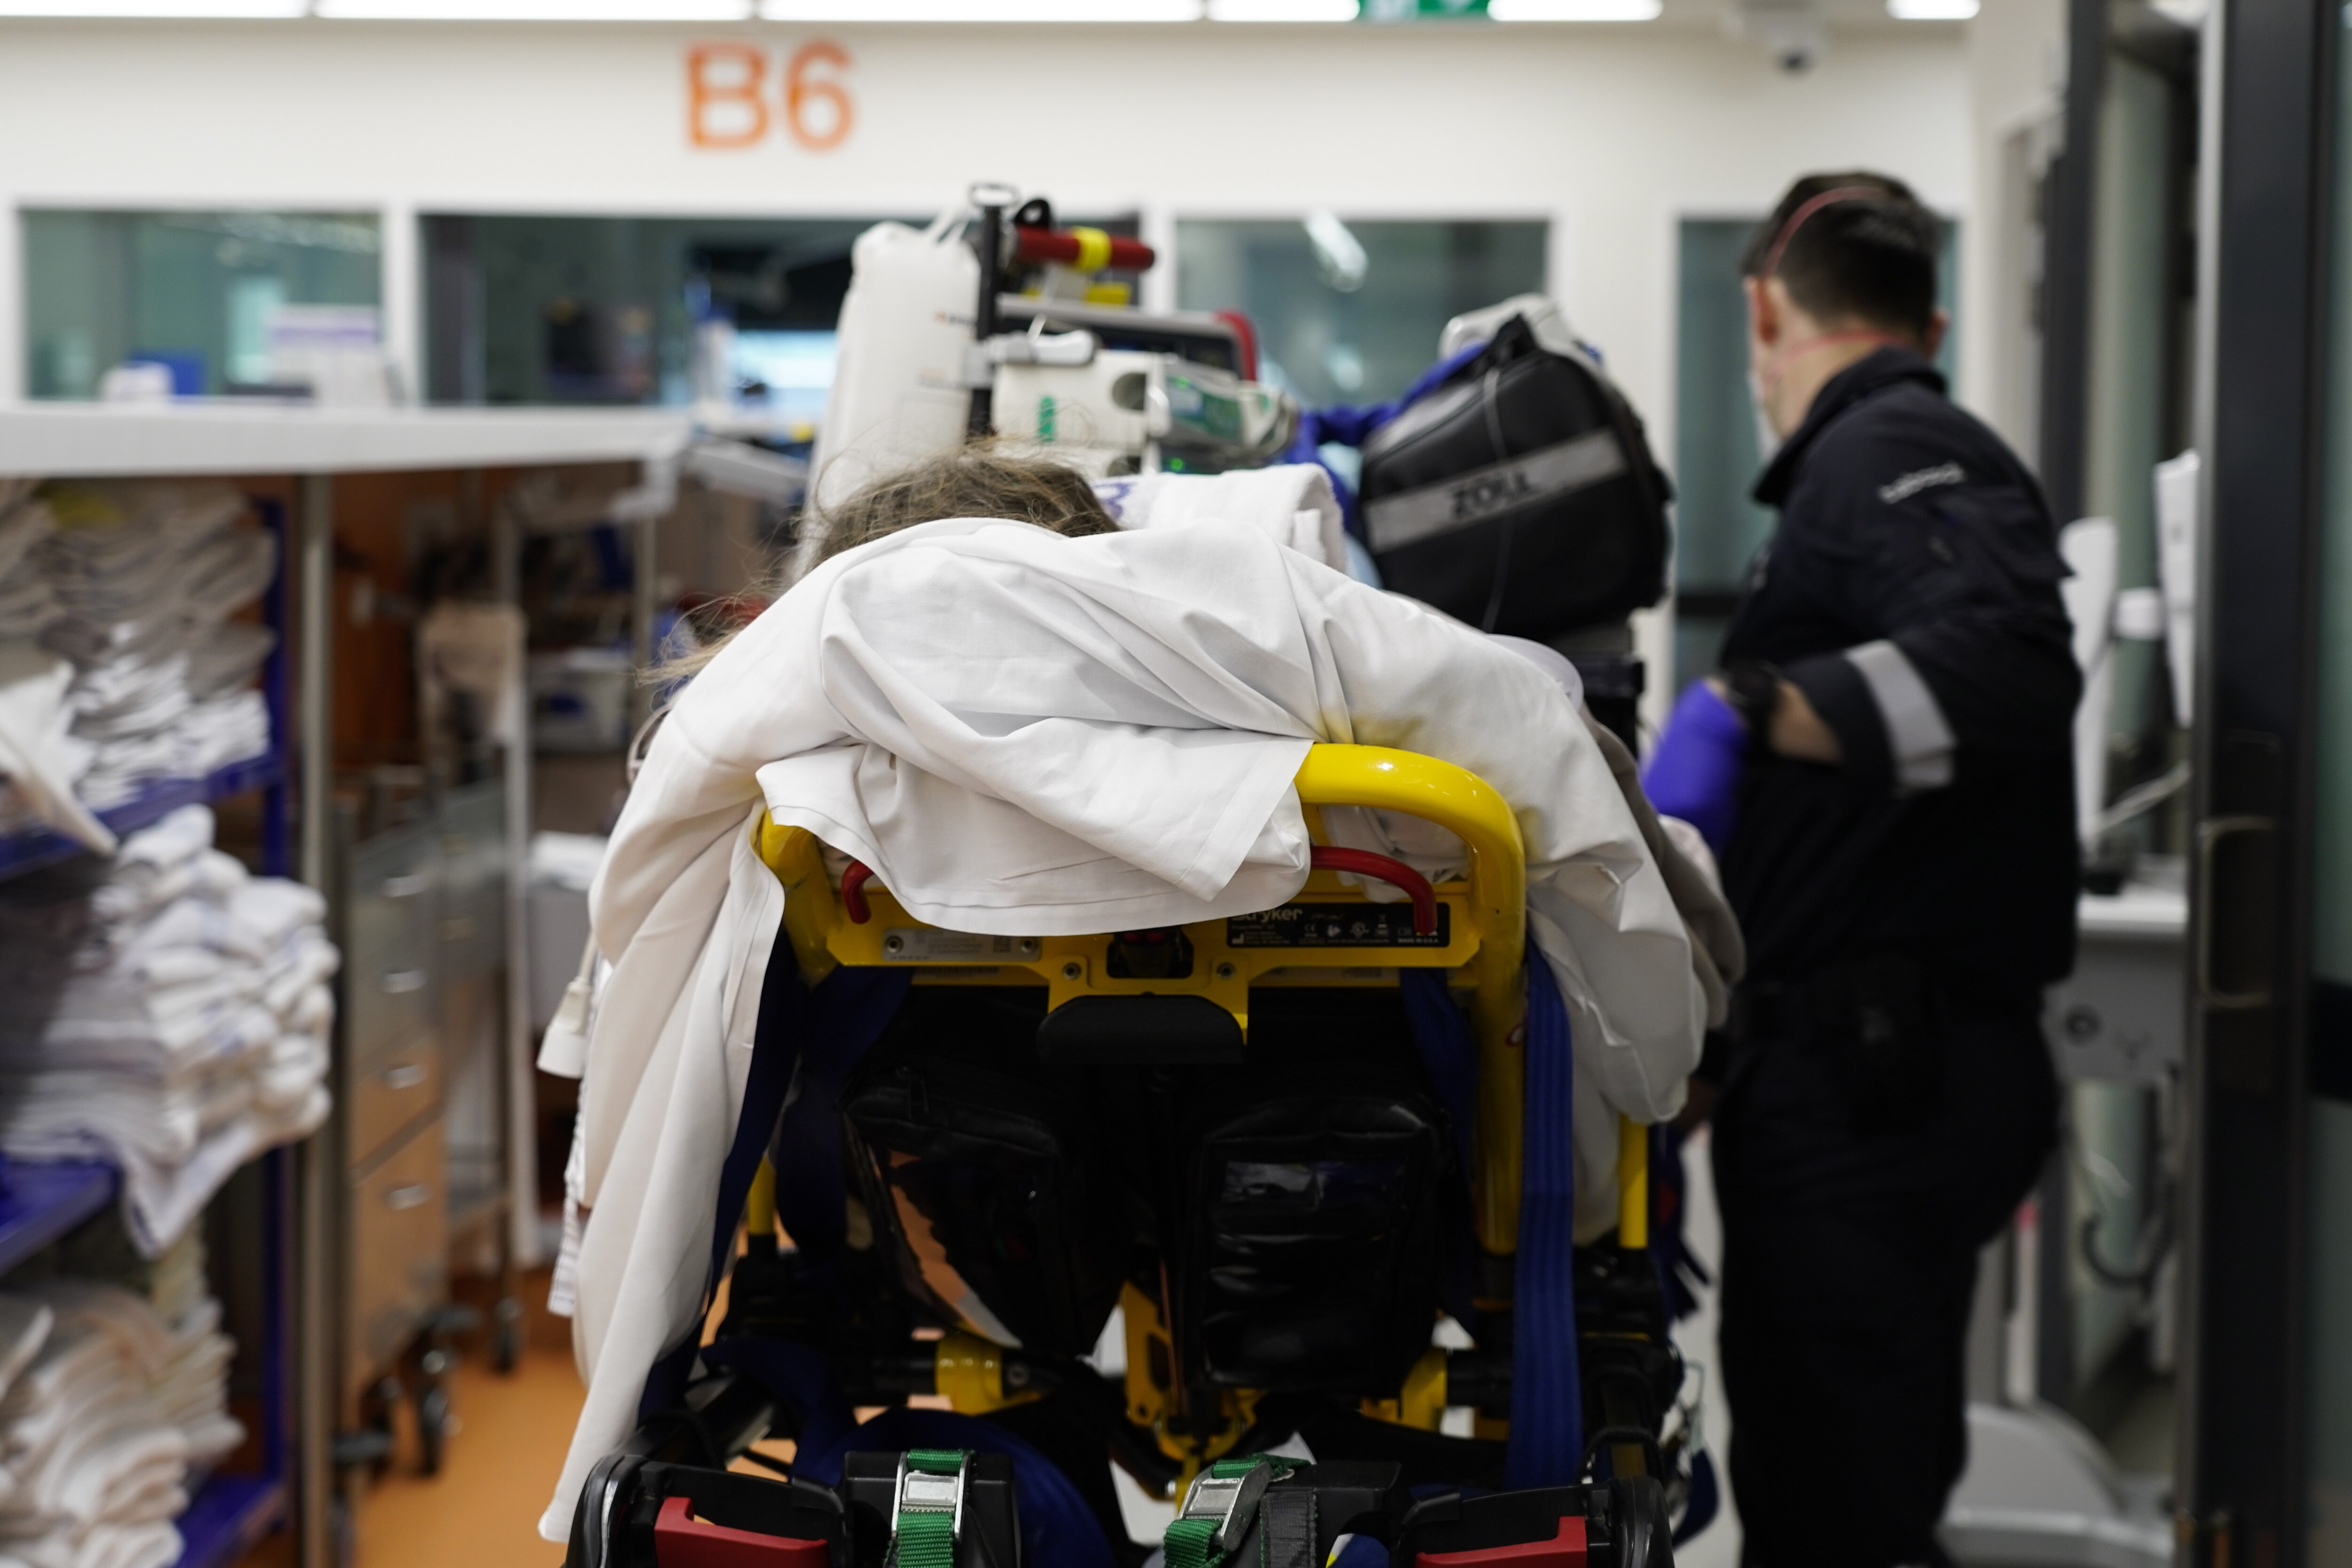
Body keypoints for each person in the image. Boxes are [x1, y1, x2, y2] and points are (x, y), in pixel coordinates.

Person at [1643, 173, 2078, 1568]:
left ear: (1764, 303)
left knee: (1843, 1507)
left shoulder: (1891, 445)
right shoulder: (1882, 451)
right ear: (1930, 316)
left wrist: (1746, 706)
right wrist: (1713, 1054)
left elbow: (2009, 664)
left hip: (1880, 1092)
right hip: (1845, 1070)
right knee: (1833, 1478)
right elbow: (1856, 824)